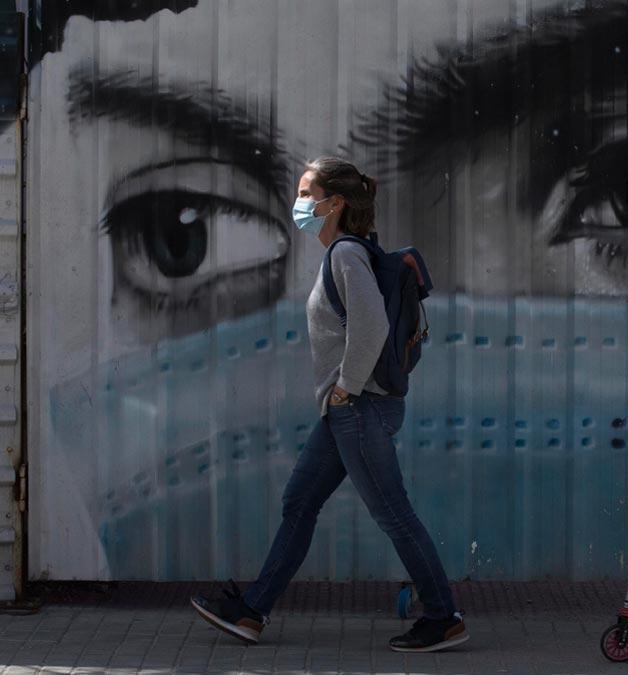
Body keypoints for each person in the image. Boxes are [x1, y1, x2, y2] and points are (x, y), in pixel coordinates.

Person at [191, 157, 468, 653]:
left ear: (334, 203)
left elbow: (371, 328)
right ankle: (253, 612)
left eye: (306, 194)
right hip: (347, 412)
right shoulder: (346, 254)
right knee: (299, 503)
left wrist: (346, 387)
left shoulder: (345, 254)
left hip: (358, 409)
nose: (299, 204)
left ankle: (443, 617)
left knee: (394, 516)